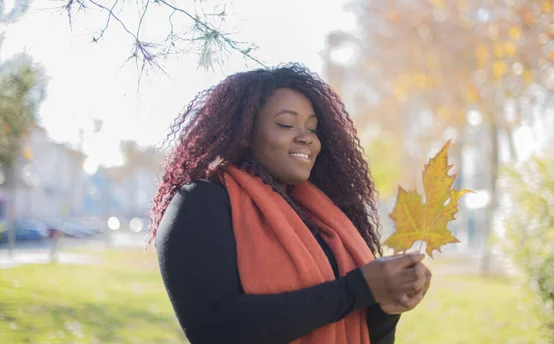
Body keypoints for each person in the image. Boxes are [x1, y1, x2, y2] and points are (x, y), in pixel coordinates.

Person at [150, 64, 432, 344]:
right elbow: (215, 330)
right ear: (245, 132)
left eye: (313, 128)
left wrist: (385, 305)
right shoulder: (200, 202)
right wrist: (358, 288)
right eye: (286, 124)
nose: (306, 137)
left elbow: (366, 334)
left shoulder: (325, 219)